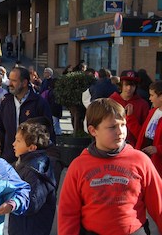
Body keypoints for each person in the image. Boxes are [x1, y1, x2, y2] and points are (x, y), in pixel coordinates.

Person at [58, 98, 162, 234]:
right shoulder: (78, 166)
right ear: (93, 130)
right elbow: (68, 213)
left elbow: (159, 204)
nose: (120, 132)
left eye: (123, 125)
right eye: (112, 127)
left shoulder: (140, 160)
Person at [0, 66, 53, 164]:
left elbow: (48, 132)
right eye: (10, 80)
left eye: (14, 81)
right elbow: (1, 131)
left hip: (32, 161)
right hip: (8, 160)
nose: (10, 84)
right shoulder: (6, 102)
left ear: (24, 83)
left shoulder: (39, 103)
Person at [9, 122, 56, 235]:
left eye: (18, 141)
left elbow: (32, 204)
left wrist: (10, 199)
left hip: (30, 228)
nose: (13, 144)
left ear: (31, 148)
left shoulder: (35, 170)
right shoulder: (24, 163)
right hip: (22, 226)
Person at [109, 70, 149, 146]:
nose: (129, 88)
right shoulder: (111, 101)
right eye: (126, 85)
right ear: (121, 85)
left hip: (134, 146)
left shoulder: (143, 104)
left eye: (132, 85)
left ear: (136, 86)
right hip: (113, 145)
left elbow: (144, 133)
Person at [135, 80, 162, 177]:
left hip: (158, 165)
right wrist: (129, 118)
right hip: (145, 159)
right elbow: (141, 134)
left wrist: (158, 149)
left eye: (152, 95)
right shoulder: (152, 112)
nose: (149, 98)